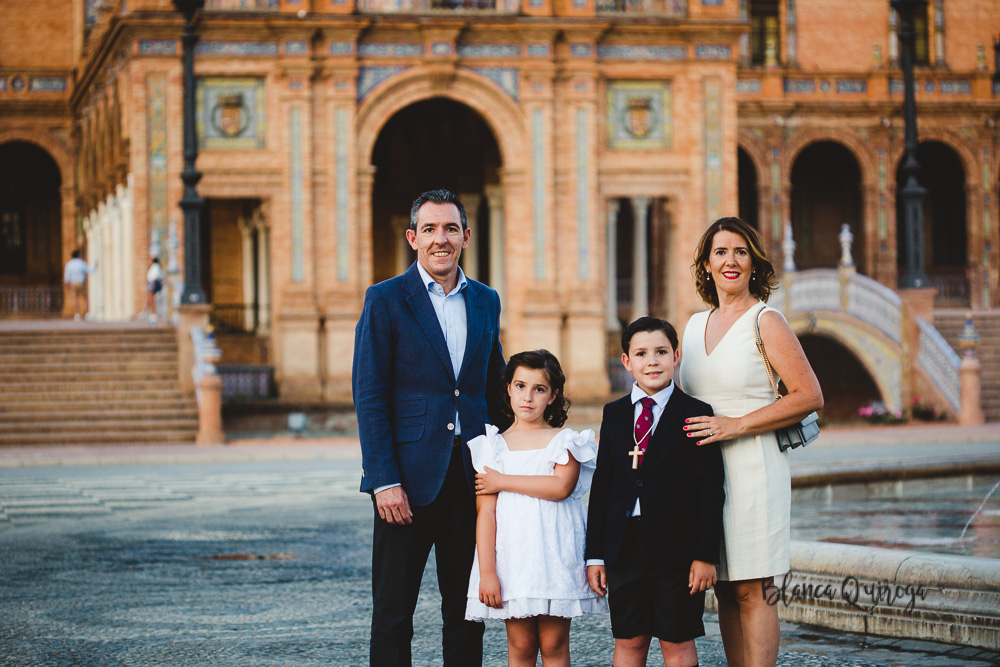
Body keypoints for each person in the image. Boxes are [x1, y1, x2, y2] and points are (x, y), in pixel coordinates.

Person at [352, 189, 506, 667]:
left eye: (451, 229)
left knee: (467, 613)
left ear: (465, 235)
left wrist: (530, 448)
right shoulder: (385, 300)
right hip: (407, 484)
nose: (442, 239)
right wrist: (384, 480)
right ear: (412, 237)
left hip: (470, 479)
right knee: (394, 613)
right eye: (431, 229)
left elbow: (493, 387)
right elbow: (370, 394)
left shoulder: (485, 300)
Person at [678, 217, 823, 667]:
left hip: (754, 467)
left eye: (740, 252)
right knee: (722, 587)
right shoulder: (692, 326)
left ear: (754, 262)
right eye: (720, 252)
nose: (730, 261)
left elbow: (809, 395)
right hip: (705, 475)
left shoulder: (766, 320)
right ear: (706, 264)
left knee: (753, 589)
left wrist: (736, 425)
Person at [585, 317, 725, 667]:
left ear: (676, 356)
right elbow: (602, 486)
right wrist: (595, 555)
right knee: (629, 641)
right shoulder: (614, 414)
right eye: (642, 354)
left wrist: (705, 555)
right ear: (627, 362)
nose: (653, 361)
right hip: (624, 548)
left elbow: (710, 489)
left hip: (677, 551)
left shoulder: (696, 413)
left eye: (661, 352)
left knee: (676, 642)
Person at [465, 350, 608, 667]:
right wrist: (487, 572)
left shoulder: (565, 440)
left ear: (553, 395)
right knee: (520, 645)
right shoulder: (492, 444)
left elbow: (560, 487)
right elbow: (486, 513)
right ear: (508, 388)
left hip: (554, 555)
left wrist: (502, 480)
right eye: (520, 386)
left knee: (554, 644)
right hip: (513, 559)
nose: (527, 397)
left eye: (539, 389)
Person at [63, 249, 95, 321]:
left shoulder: (69, 264)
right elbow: (90, 270)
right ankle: (87, 314)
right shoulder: (81, 263)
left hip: (73, 282)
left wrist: (67, 287)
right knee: (85, 298)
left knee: (75, 299)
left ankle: (77, 315)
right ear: (78, 255)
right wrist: (95, 267)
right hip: (81, 281)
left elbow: (67, 276)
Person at [146, 257, 164, 322]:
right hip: (152, 284)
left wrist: (151, 286)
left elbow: (154, 277)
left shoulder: (155, 267)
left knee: (152, 299)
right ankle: (149, 312)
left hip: (153, 284)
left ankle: (154, 313)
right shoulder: (155, 266)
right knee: (150, 299)